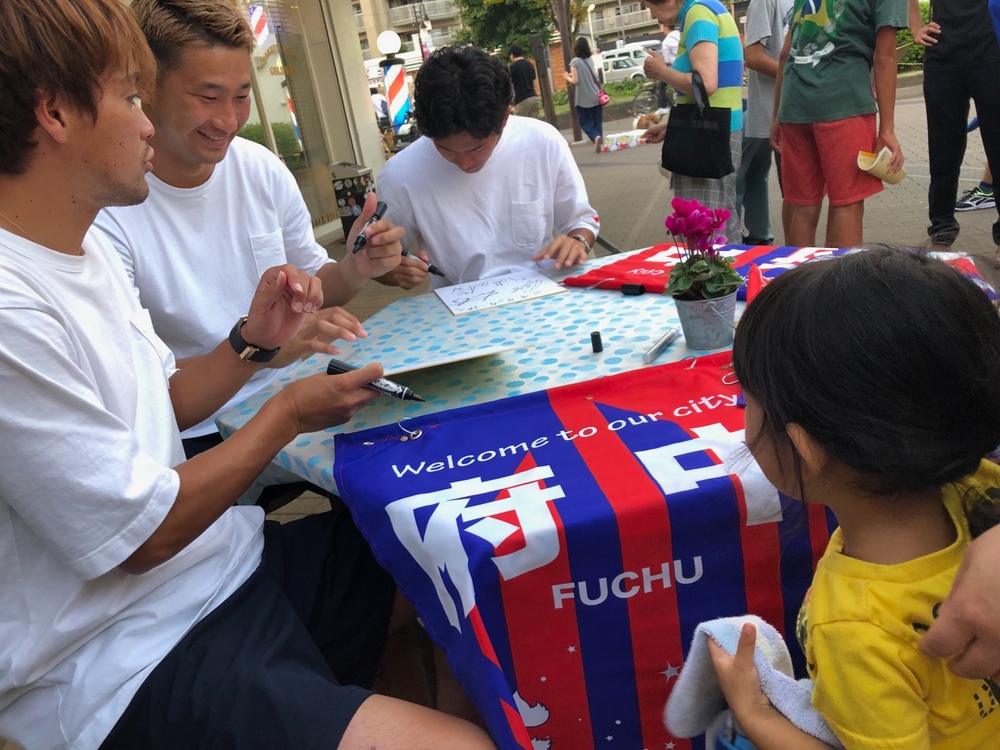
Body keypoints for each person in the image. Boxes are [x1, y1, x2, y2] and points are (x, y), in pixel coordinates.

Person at [0, 1, 498, 749]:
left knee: (454, 556)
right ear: (55, 113)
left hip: (218, 566)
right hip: (117, 660)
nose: (145, 123)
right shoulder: (14, 305)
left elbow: (163, 402)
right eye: (131, 96)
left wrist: (252, 342)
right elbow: (141, 536)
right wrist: (286, 413)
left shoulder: (81, 246)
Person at [704, 248, 1000, 748]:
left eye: (748, 401)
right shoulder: (980, 482)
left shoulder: (853, 628)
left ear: (805, 448)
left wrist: (755, 713)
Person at [95, 0, 403, 459]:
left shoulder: (260, 167)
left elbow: (317, 287)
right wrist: (261, 351)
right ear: (147, 88)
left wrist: (357, 267)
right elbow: (140, 386)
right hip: (196, 432)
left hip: (290, 389)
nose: (228, 120)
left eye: (241, 96)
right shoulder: (108, 208)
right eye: (208, 97)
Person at [376, 45, 600, 291]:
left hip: (544, 291)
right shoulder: (401, 174)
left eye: (477, 148)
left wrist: (577, 242)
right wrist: (395, 271)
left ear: (504, 118)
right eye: (446, 150)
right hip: (458, 302)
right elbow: (375, 261)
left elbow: (582, 219)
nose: (465, 163)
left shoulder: (541, 142)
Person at [769, 0, 905, 249]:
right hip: (845, 102)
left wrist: (777, 114)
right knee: (846, 204)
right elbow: (885, 55)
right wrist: (887, 130)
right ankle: (840, 276)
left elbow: (785, 53)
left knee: (802, 206)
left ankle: (799, 274)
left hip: (794, 105)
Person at [641, 0, 745, 244]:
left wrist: (662, 72)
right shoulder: (709, 8)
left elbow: (706, 83)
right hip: (720, 129)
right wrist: (672, 126)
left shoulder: (699, 14)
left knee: (702, 234)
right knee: (722, 226)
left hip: (708, 139)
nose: (652, 14)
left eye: (648, 5)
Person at [909, 0, 1000, 259]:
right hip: (942, 56)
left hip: (991, 51)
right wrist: (915, 26)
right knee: (943, 150)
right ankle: (942, 231)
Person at [735, 0, 792, 246]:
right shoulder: (764, 2)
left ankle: (761, 237)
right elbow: (753, 57)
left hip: (804, 107)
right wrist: (798, 74)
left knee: (760, 178)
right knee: (796, 199)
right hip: (776, 114)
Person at [564, 37, 604, 147]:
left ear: (576, 48)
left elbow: (575, 81)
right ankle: (600, 142)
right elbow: (589, 75)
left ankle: (595, 137)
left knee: (585, 122)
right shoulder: (590, 60)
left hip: (583, 99)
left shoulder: (574, 62)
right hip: (596, 95)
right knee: (597, 121)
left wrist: (567, 77)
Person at [508, 44, 540, 119]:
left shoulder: (512, 67)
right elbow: (535, 83)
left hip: (522, 100)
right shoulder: (530, 65)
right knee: (533, 123)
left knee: (519, 123)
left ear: (512, 55)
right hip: (533, 98)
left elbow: (509, 85)